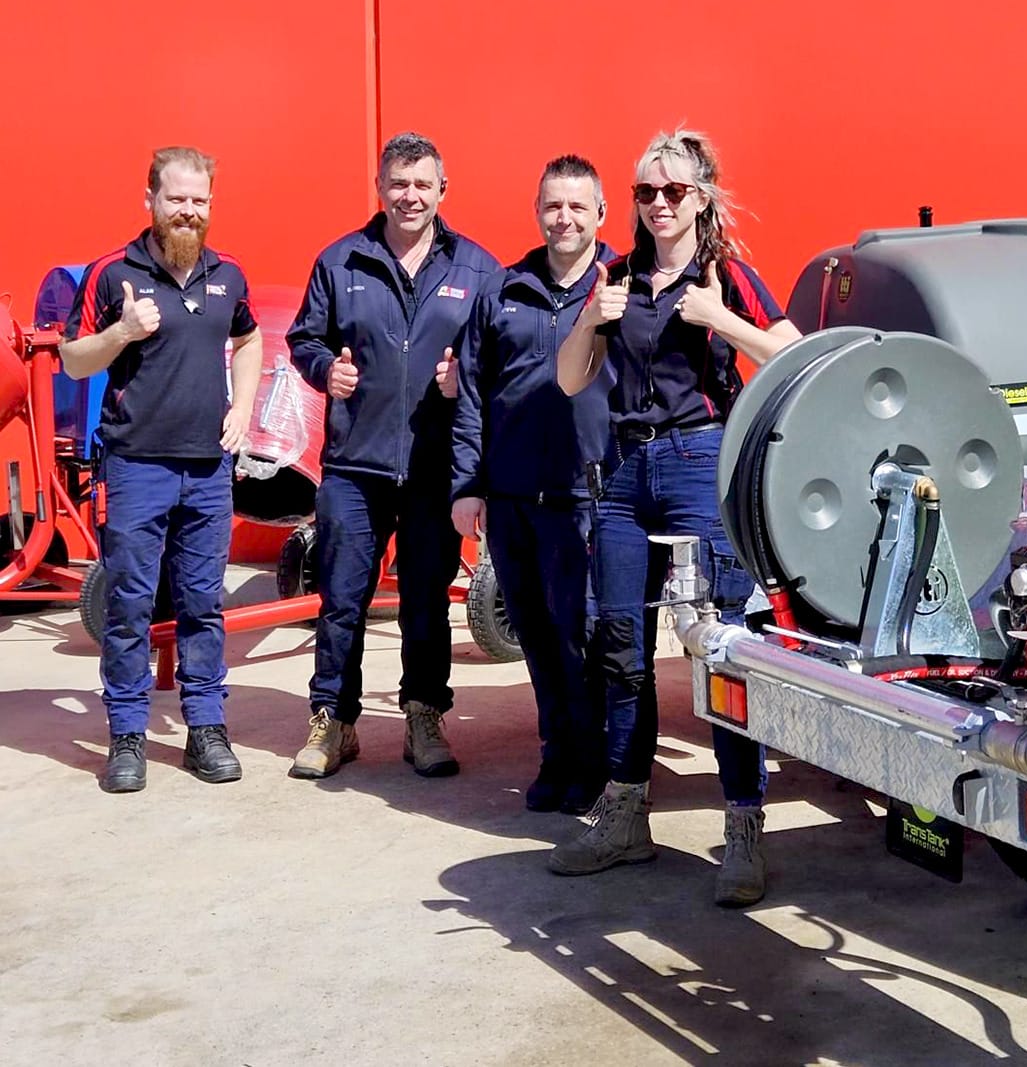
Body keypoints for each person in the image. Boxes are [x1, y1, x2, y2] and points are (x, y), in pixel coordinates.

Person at [552, 129, 802, 906]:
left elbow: (796, 357)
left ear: (702, 196)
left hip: (701, 460)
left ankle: (744, 822)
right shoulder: (617, 277)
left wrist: (720, 318)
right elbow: (570, 381)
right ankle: (626, 814)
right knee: (620, 646)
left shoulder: (727, 276)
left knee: (720, 645)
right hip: (625, 471)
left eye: (674, 190)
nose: (659, 203)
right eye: (646, 192)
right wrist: (589, 320)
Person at [286, 132, 500, 779]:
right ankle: (334, 721)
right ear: (380, 188)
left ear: (443, 190)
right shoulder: (341, 261)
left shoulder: (477, 269)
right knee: (341, 598)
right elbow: (304, 339)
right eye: (399, 184)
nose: (410, 196)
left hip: (436, 467)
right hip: (355, 465)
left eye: (422, 184)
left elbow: (500, 354)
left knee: (426, 600)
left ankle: (423, 716)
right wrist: (325, 370)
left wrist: (466, 377)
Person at [60, 145, 264, 793]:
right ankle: (127, 735)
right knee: (129, 605)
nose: (188, 211)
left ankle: (206, 727)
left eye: (199, 200)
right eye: (176, 198)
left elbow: (249, 338)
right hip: (136, 466)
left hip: (207, 469)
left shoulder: (228, 274)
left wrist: (243, 407)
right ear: (149, 199)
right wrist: (121, 331)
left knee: (204, 603)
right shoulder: (111, 273)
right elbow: (73, 360)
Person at [451, 155, 613, 815]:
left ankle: (600, 764)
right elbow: (470, 391)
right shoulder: (503, 289)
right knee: (537, 637)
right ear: (537, 210)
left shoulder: (622, 287)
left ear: (601, 212)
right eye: (553, 205)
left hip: (589, 497)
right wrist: (468, 483)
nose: (564, 218)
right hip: (515, 497)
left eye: (577, 206)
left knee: (585, 636)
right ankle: (558, 755)